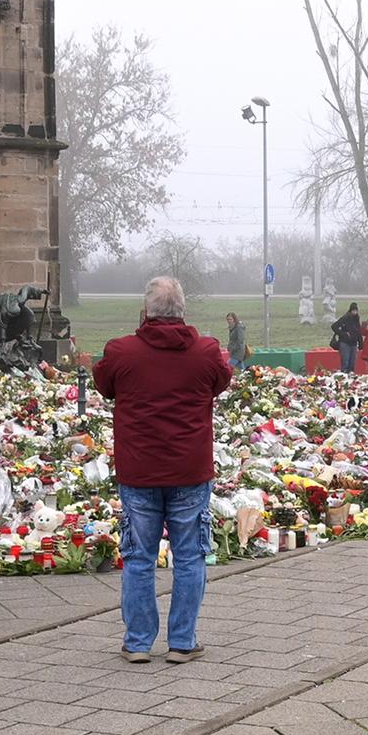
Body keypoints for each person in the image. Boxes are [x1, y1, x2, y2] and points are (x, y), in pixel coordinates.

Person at [93, 276, 234, 664]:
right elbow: (220, 381)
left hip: (139, 471)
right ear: (183, 311)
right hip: (189, 470)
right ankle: (182, 641)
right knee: (189, 556)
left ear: (146, 312)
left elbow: (104, 383)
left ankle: (138, 642)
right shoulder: (205, 352)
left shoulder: (122, 352)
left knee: (139, 557)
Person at [330, 303, 363, 377]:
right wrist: (343, 334)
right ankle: (344, 377)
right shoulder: (345, 318)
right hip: (345, 343)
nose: (355, 312)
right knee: (345, 363)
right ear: (350, 310)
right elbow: (334, 326)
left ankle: (351, 378)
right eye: (353, 310)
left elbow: (359, 332)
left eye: (356, 311)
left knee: (352, 364)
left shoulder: (357, 319)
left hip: (354, 344)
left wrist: (361, 344)